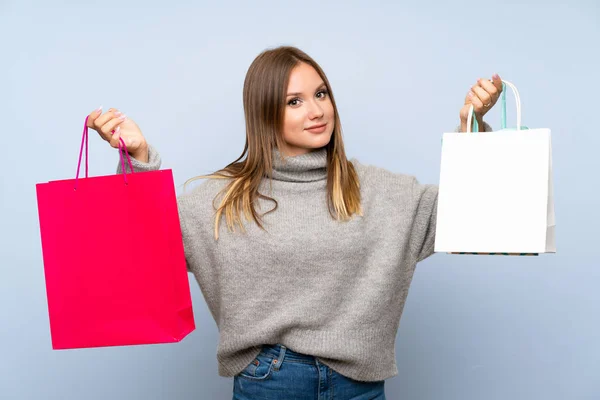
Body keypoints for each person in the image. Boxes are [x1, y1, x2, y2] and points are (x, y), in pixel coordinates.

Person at [86, 46, 502, 400]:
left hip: (361, 383)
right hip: (270, 381)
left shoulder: (381, 192)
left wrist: (472, 126)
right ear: (265, 113)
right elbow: (146, 245)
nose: (318, 110)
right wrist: (137, 157)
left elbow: (466, 213)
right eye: (294, 101)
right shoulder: (225, 200)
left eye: (321, 94)